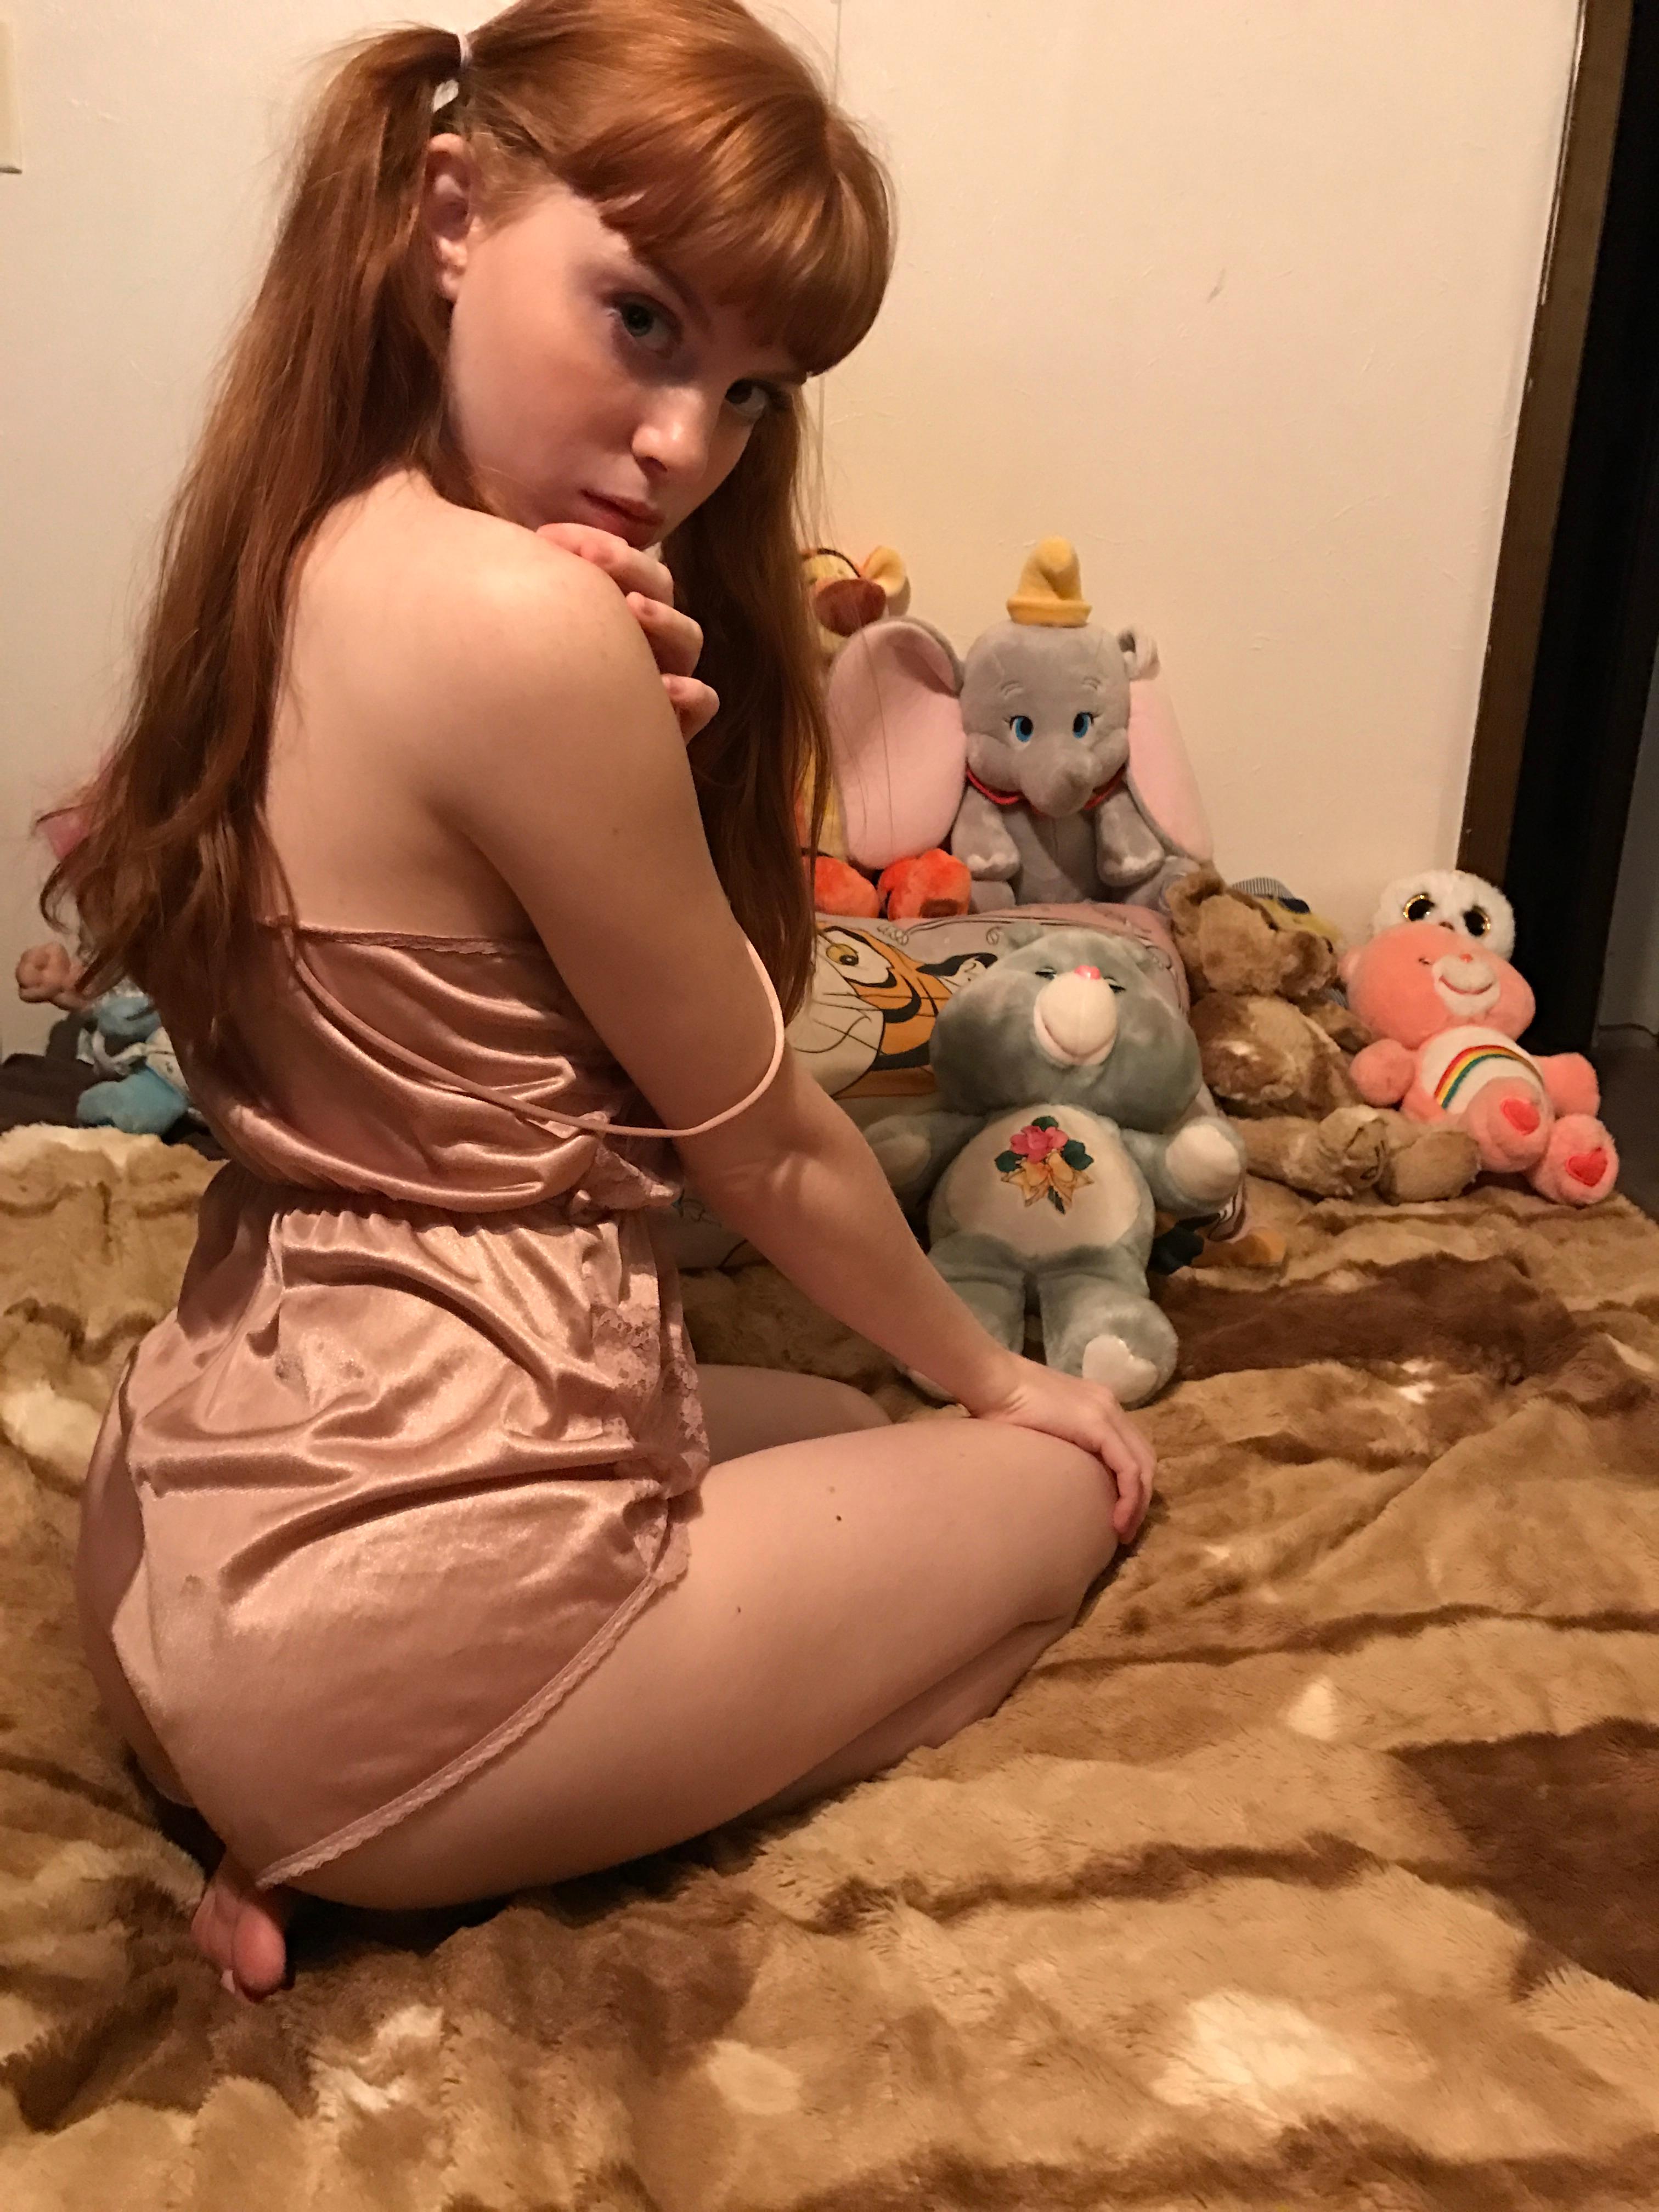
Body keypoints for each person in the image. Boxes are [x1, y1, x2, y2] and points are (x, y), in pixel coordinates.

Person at [53, 0, 1154, 2005]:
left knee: (829, 1422)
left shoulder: (293, 544)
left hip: (192, 1537)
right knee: (1055, 1494)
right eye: (643, 323)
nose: (685, 445)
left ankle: (375, 1816)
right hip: (387, 1632)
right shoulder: (527, 618)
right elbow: (765, 1142)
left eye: (750, 391)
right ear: (450, 215)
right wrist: (1008, 1386)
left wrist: (637, 749)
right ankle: (422, 1842)